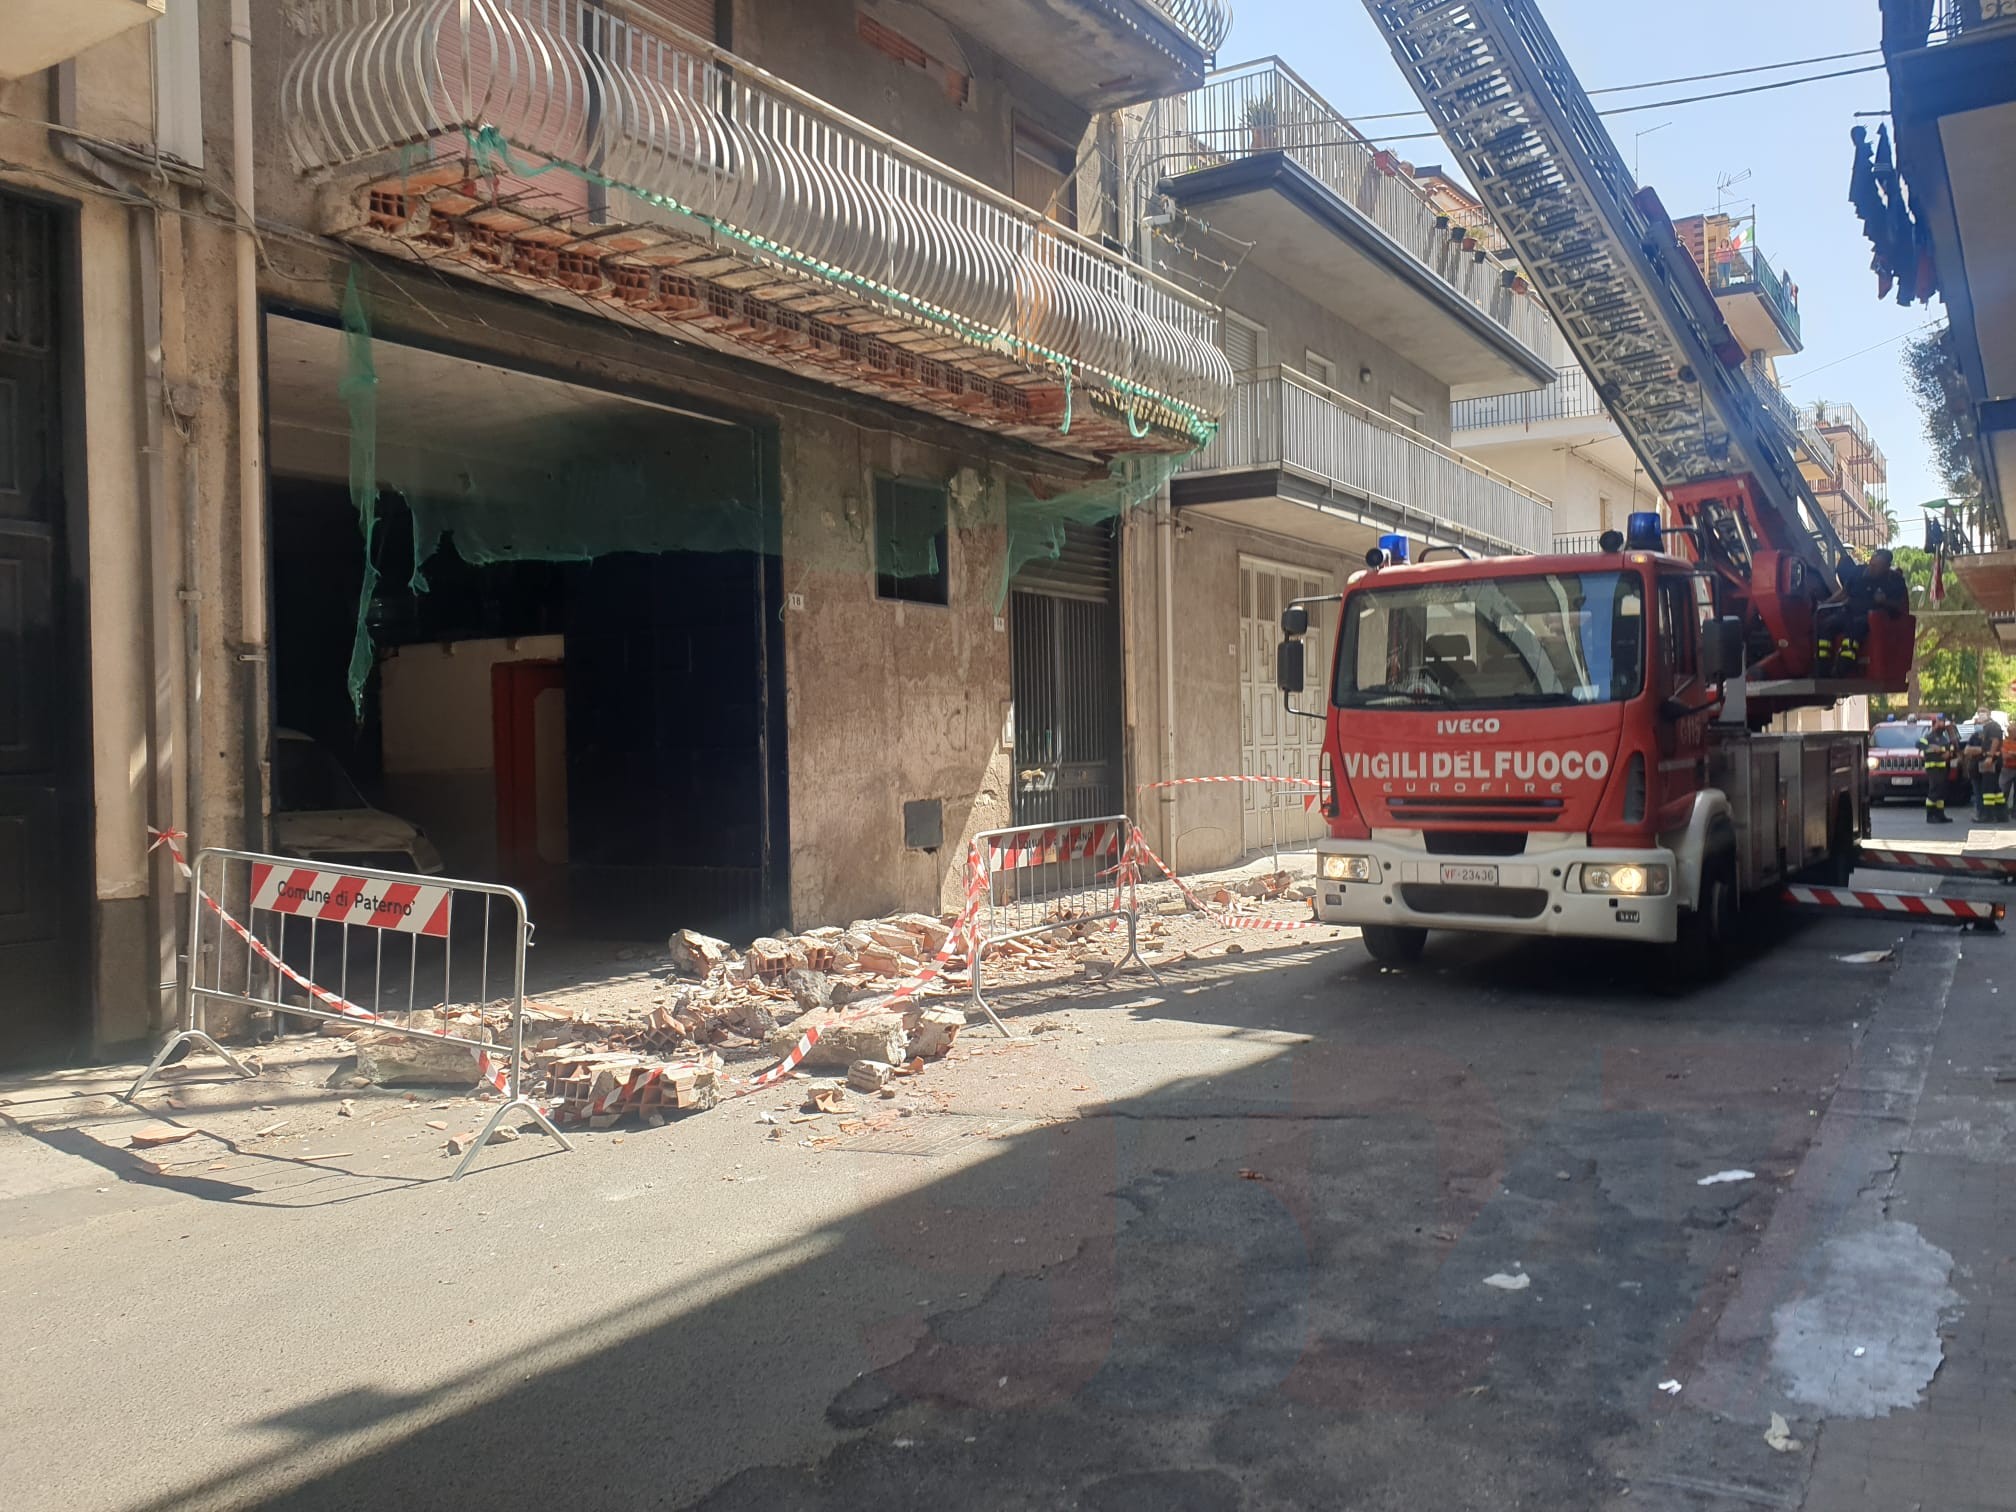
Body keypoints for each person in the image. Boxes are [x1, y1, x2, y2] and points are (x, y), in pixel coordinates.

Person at [1817, 548, 1908, 671]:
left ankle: (1843, 668)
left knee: (1854, 628)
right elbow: (1844, 593)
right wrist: (1824, 604)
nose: (1873, 569)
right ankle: (1822, 667)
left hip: (1869, 618)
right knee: (1826, 625)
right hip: (1848, 612)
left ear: (1887, 567)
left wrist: (1884, 601)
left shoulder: (1894, 581)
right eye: (1873, 564)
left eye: (1878, 567)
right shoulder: (1858, 571)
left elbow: (1900, 606)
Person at [1922, 713, 1959, 824]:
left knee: (1941, 793)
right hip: (1933, 768)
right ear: (1934, 724)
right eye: (1940, 722)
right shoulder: (1928, 737)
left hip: (1943, 768)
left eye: (1943, 722)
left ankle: (1940, 814)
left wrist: (1946, 751)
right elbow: (1926, 749)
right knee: (1934, 792)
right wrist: (1942, 751)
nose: (1942, 724)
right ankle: (1930, 815)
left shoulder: (1943, 738)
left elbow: (1952, 750)